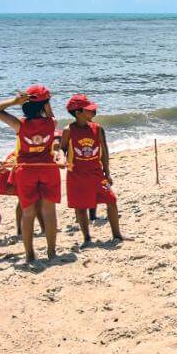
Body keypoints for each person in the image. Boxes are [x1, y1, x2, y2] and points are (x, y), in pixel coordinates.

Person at [0, 86, 61, 261]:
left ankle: (30, 254)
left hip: (26, 171)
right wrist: (45, 103)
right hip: (48, 168)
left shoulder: (19, 124)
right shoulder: (52, 123)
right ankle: (51, 252)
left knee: (28, 213)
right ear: (45, 106)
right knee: (49, 211)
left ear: (25, 105)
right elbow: (49, 113)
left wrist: (13, 101)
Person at [61, 94, 121, 245]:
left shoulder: (97, 128)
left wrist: (107, 173)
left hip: (97, 174)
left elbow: (104, 152)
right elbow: (62, 149)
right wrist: (60, 157)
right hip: (76, 176)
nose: (93, 113)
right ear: (78, 113)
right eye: (88, 110)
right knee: (80, 207)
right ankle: (87, 238)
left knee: (112, 200)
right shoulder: (68, 130)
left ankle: (117, 235)